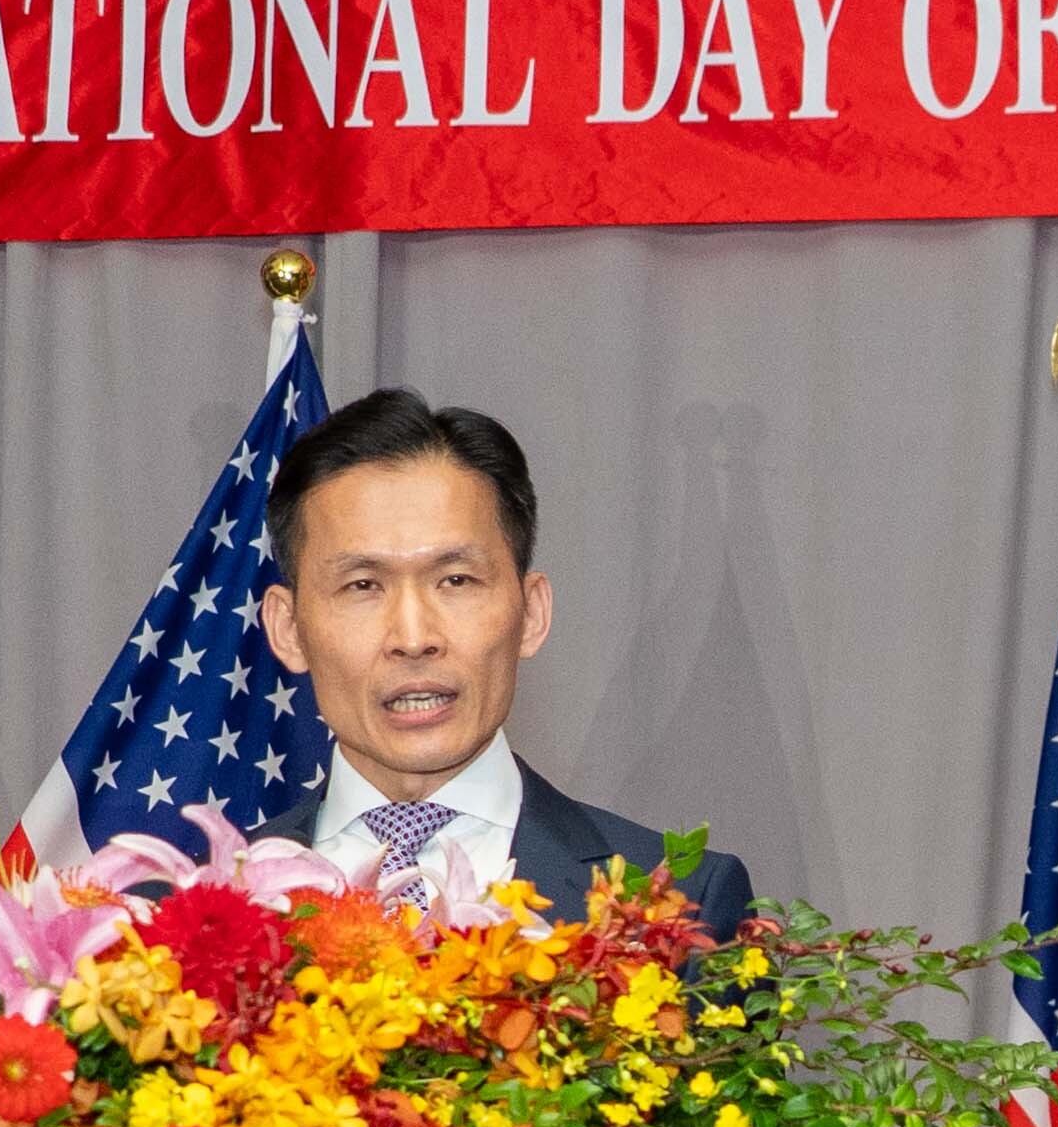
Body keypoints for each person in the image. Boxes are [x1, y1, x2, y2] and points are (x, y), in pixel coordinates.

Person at [255, 386, 760, 930]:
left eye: (456, 580)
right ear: (289, 629)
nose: (413, 637)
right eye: (362, 586)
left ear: (532, 613)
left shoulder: (680, 905)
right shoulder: (201, 909)